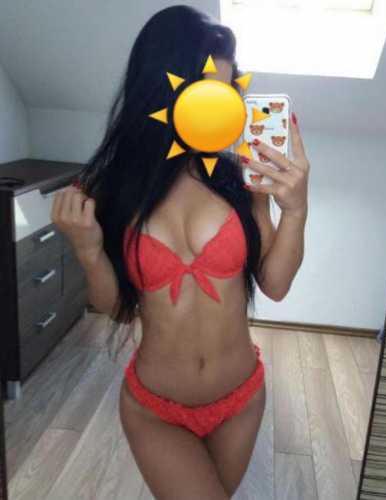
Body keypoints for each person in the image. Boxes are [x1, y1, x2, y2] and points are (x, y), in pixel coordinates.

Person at [51, 5, 309, 499]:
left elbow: (275, 285)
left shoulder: (240, 180)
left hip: (241, 400)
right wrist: (88, 250)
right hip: (156, 410)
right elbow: (118, 310)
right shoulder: (115, 191)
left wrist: (296, 210)